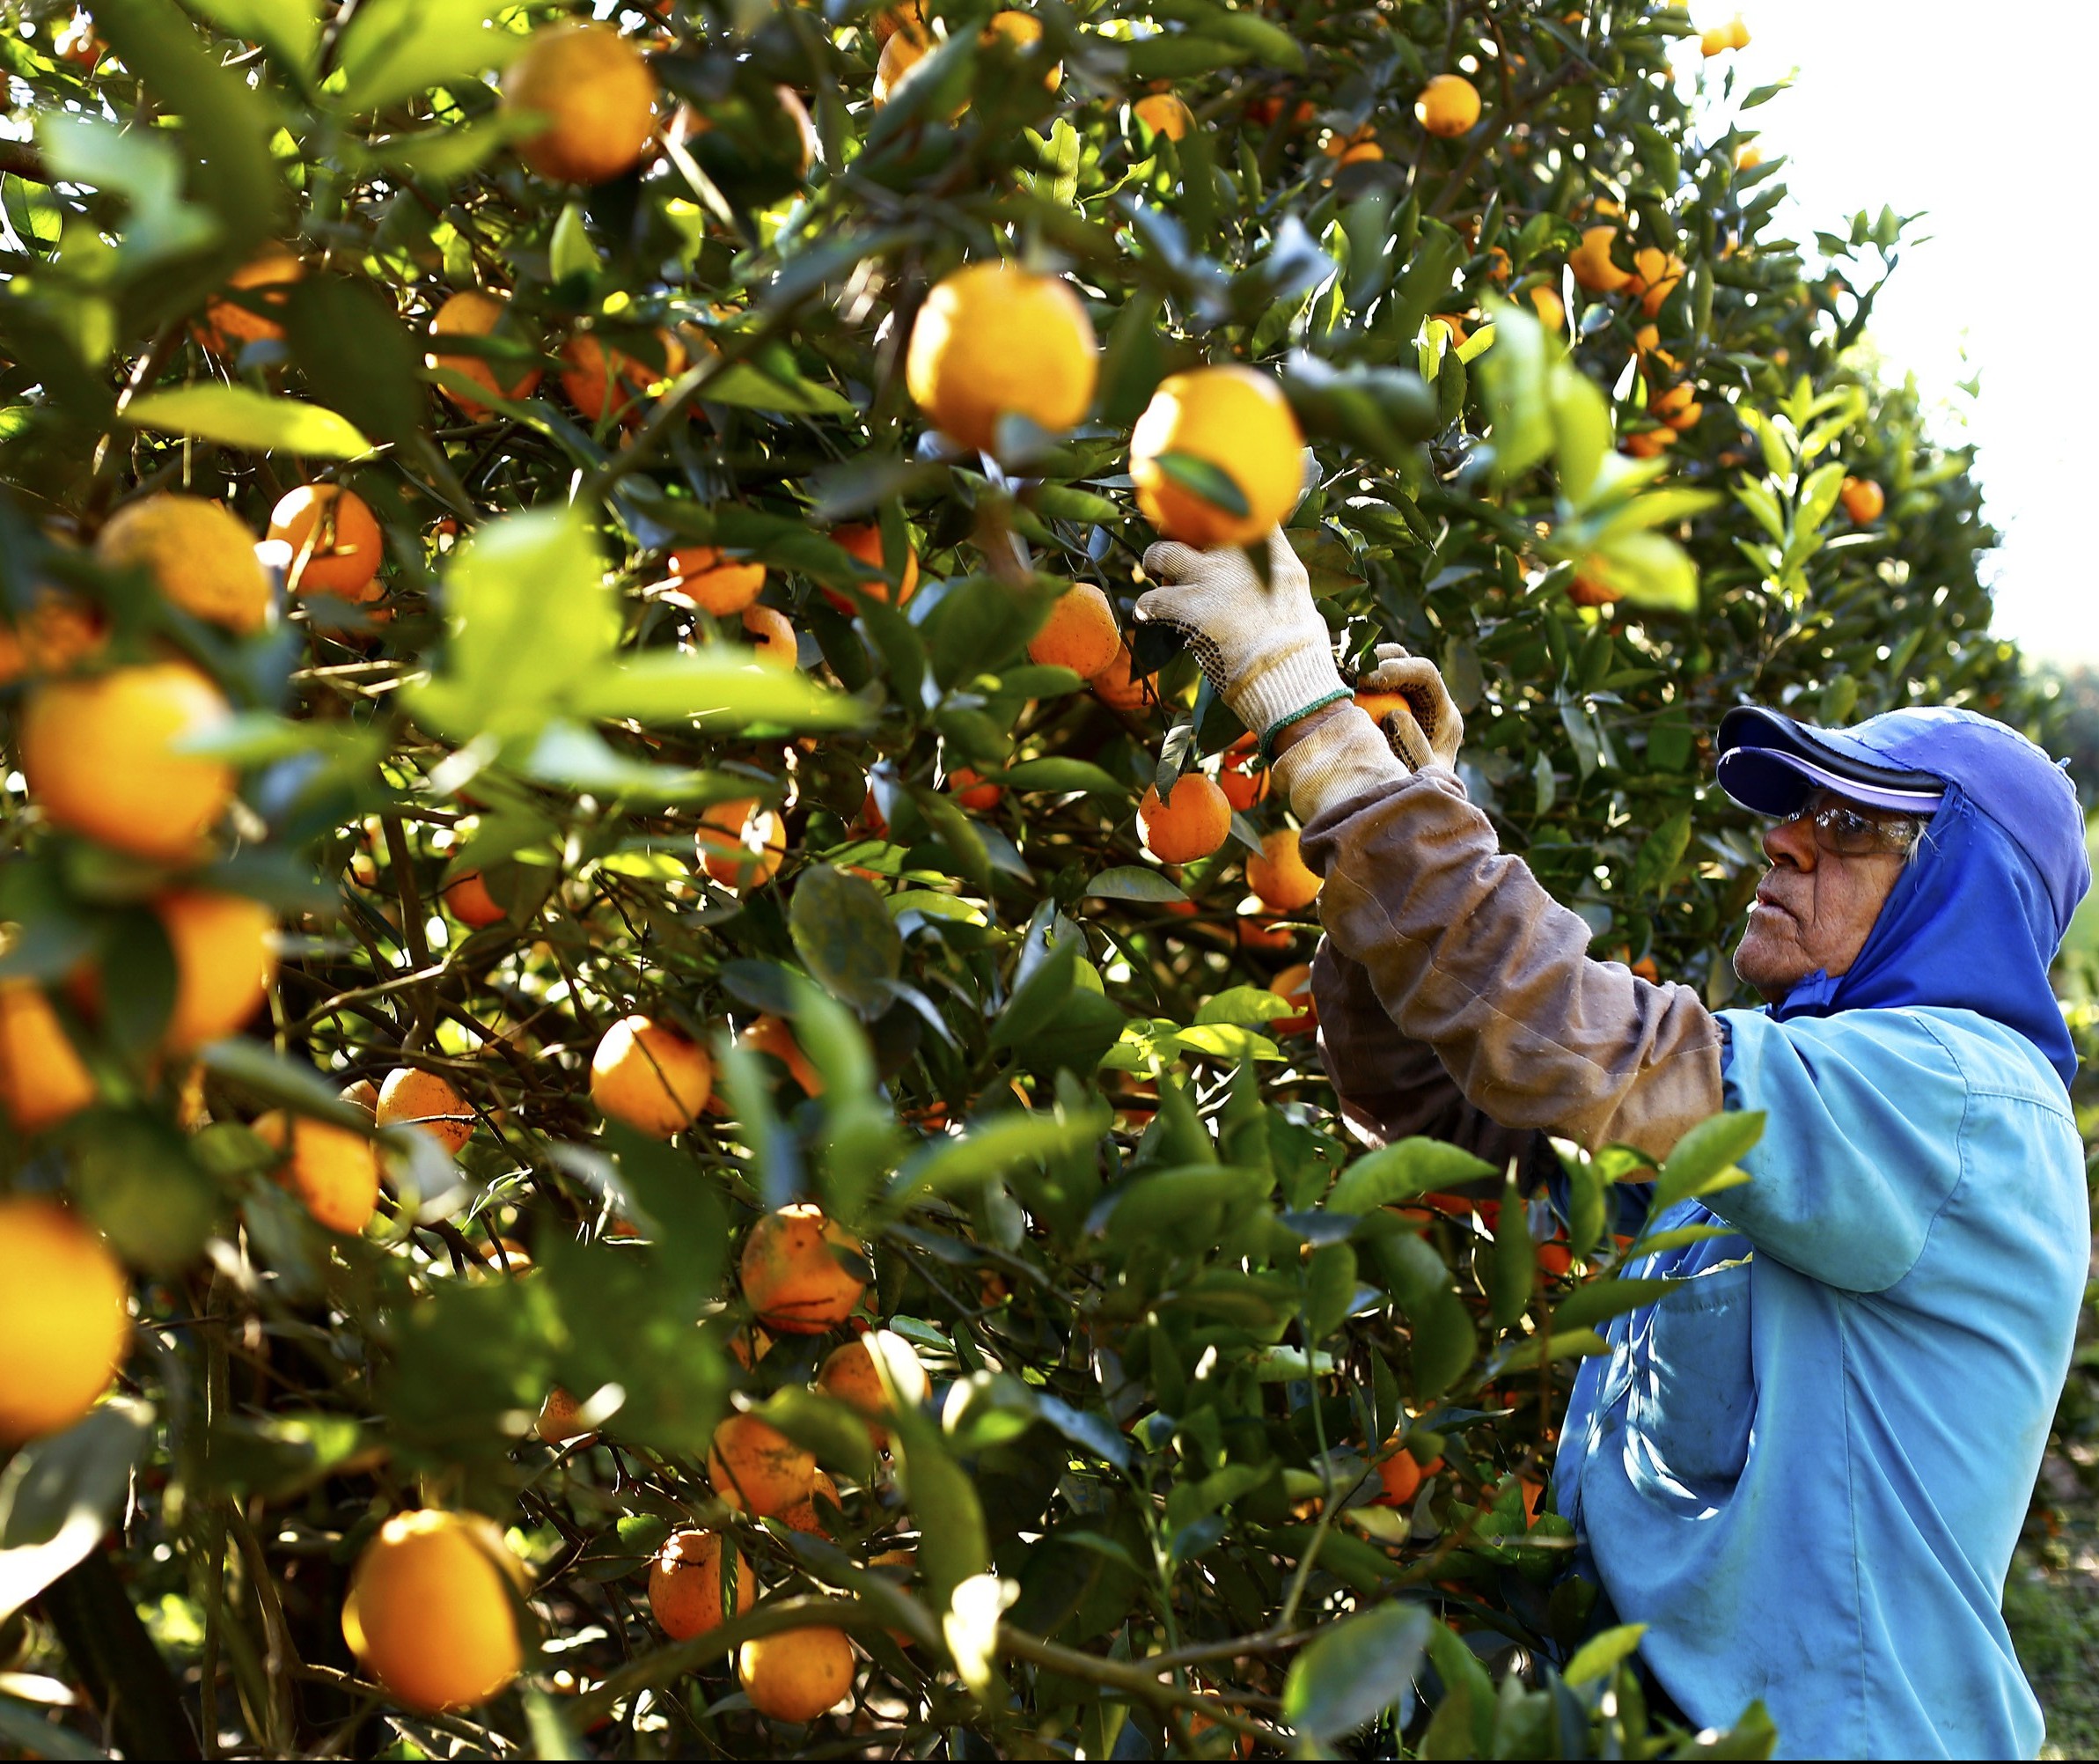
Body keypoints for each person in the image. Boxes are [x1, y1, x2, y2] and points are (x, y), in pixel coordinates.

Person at [1136, 530, 2091, 1760]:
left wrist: (1307, 710)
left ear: (1961, 893)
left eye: (1852, 826)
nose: (1786, 839)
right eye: (1793, 810)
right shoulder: (1803, 1115)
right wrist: (1411, 811)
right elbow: (1454, 1109)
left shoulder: (1948, 1101)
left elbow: (1553, 1029)